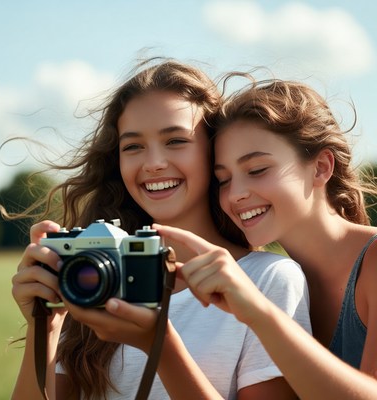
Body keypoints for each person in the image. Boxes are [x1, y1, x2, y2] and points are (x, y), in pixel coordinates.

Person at [10, 60, 311, 400]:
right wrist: (44, 330)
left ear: (213, 151)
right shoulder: (90, 272)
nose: (153, 162)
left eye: (175, 141)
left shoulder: (267, 281)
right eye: (133, 146)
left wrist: (161, 346)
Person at [154, 75, 377, 399]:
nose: (237, 195)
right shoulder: (271, 279)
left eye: (257, 170)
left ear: (321, 167)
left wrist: (258, 312)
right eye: (224, 180)